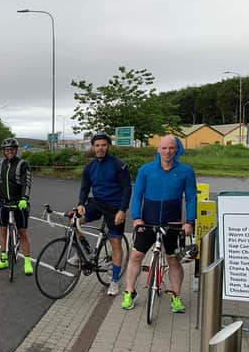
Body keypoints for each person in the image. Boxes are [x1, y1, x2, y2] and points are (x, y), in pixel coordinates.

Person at [122, 135, 197, 313]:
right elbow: (137, 195)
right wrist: (137, 218)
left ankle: (176, 296)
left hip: (173, 223)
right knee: (135, 257)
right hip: (147, 222)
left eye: (171, 148)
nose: (167, 152)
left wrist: (189, 222)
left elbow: (191, 198)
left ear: (177, 149)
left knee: (173, 261)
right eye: (164, 148)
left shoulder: (186, 171)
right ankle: (129, 292)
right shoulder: (146, 170)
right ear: (158, 149)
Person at [76, 132, 132, 296]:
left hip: (114, 207)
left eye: (103, 145)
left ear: (109, 146)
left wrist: (122, 210)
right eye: (97, 145)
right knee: (74, 221)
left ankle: (114, 281)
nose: (100, 148)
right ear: (93, 147)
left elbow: (127, 188)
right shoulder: (90, 166)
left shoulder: (118, 165)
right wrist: (80, 203)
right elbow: (85, 187)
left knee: (115, 242)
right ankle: (84, 252)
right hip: (97, 203)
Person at [0, 138, 34, 275]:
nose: (9, 152)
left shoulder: (23, 164)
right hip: (3, 203)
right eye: (6, 150)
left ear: (16, 150)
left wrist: (24, 198)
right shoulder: (0, 163)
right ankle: (4, 259)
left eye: (11, 149)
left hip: (19, 203)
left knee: (23, 233)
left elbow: (27, 182)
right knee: (3, 231)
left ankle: (27, 262)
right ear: (4, 151)